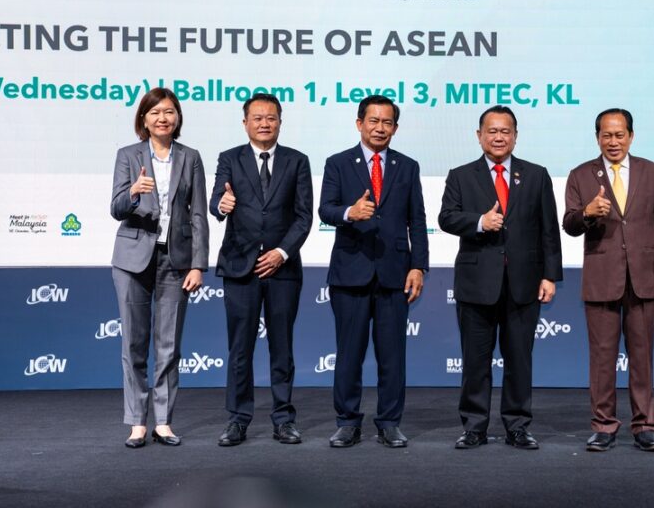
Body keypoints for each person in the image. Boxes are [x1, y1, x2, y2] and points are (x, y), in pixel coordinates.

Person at [438, 106, 563, 450]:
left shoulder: (536, 175)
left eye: (505, 131)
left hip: (524, 284)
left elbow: (549, 230)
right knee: (475, 362)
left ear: (515, 136)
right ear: (479, 135)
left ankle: (518, 426)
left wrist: (550, 276)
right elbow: (446, 217)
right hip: (476, 284)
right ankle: (474, 427)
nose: (498, 137)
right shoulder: (461, 175)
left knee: (519, 361)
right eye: (491, 131)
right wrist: (479, 222)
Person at [562, 108, 654, 453]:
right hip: (602, 278)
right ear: (597, 137)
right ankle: (603, 426)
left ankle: (645, 426)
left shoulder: (650, 171)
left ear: (631, 136)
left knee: (642, 358)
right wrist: (587, 214)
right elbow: (569, 224)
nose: (613, 142)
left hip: (644, 277)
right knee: (602, 358)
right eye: (606, 135)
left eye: (619, 134)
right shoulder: (581, 174)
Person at [318, 96, 429, 448]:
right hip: (350, 273)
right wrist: (349, 213)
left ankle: (390, 422)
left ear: (395, 127)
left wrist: (418, 266)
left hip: (394, 274)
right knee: (349, 354)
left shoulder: (407, 166)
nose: (380, 128)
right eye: (373, 121)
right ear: (359, 123)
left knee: (392, 356)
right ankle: (347, 422)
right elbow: (325, 209)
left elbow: (417, 220)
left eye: (387, 122)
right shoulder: (338, 163)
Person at [209, 93, 313, 447]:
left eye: (271, 117)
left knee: (282, 347)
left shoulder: (297, 161)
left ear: (280, 122)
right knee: (240, 349)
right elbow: (215, 203)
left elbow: (303, 216)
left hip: (283, 269)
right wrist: (222, 204)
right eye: (257, 118)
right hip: (240, 266)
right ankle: (238, 419)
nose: (264, 123)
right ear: (245, 123)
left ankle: (283, 419)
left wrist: (281, 253)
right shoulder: (229, 158)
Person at [110, 87, 208, 448]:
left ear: (177, 117)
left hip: (175, 260)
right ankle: (137, 422)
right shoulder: (128, 155)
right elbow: (116, 208)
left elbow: (199, 214)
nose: (162, 118)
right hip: (132, 260)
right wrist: (134, 191)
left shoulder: (191, 157)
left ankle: (163, 422)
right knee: (134, 344)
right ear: (144, 119)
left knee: (169, 346)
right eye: (155, 112)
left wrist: (198, 264)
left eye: (169, 111)